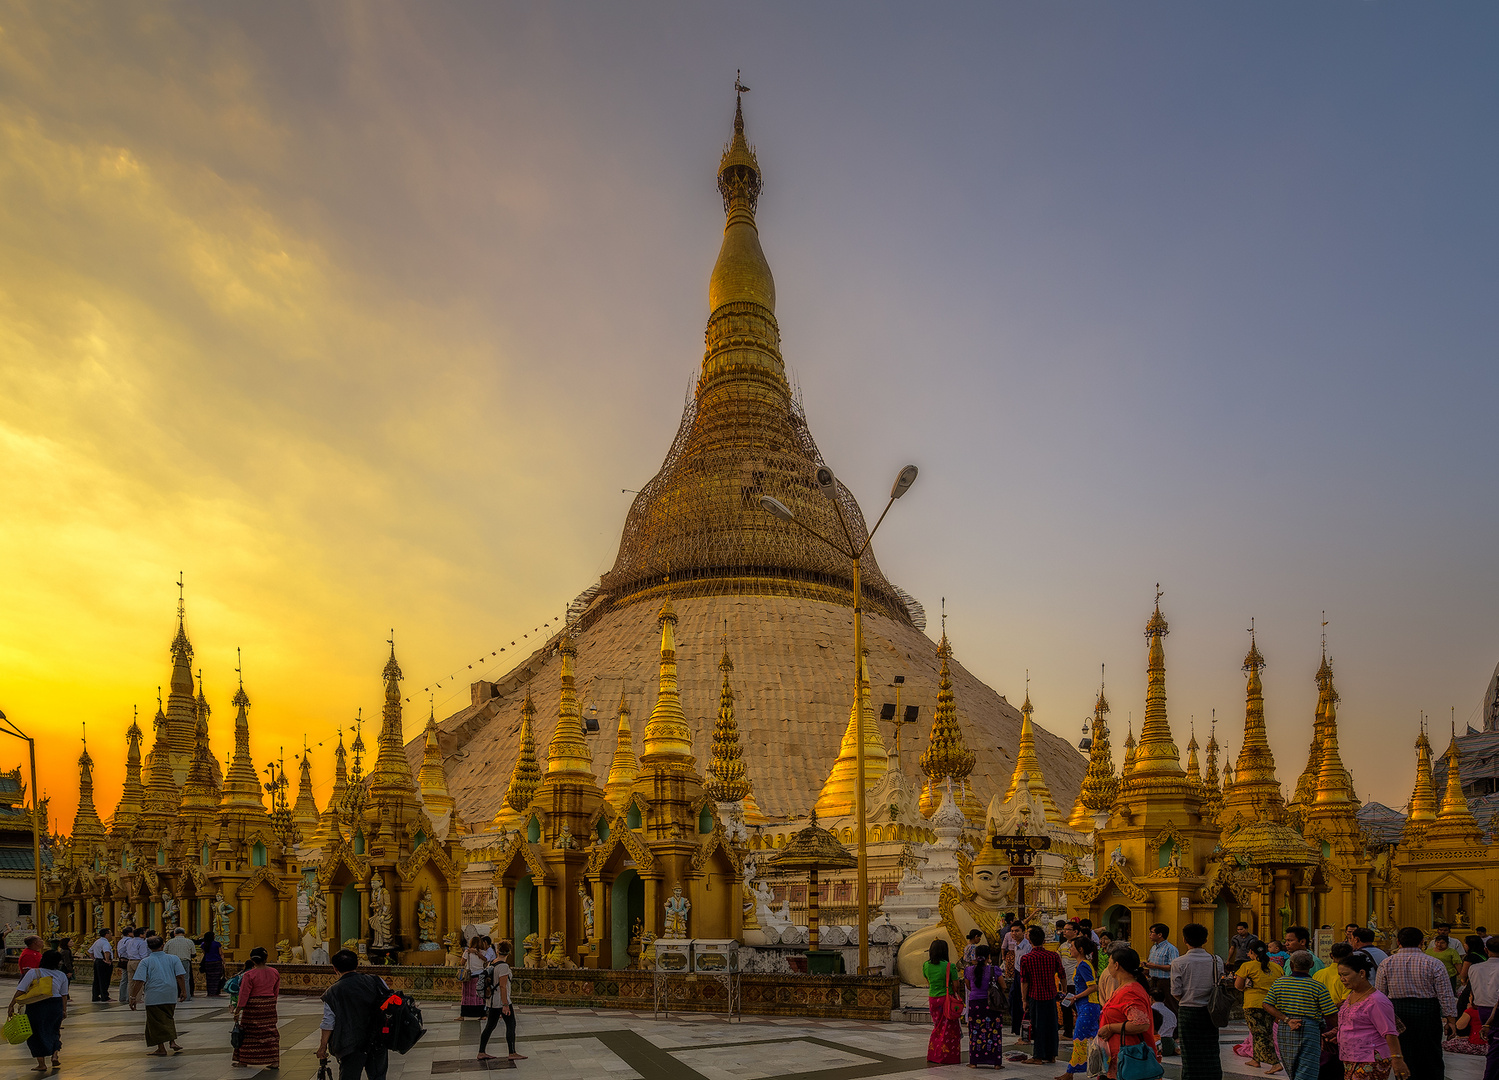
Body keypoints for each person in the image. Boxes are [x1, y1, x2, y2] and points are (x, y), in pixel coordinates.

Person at [1374, 925, 1458, 1080]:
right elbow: (1445, 994)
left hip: (1397, 1014)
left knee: (1404, 1052)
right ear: (1422, 942)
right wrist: (1451, 1019)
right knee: (1431, 1054)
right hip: (1427, 1013)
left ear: (1398, 942)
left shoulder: (1387, 963)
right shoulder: (1434, 963)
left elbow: (1380, 996)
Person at [1263, 951, 1338, 1080]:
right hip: (1310, 1029)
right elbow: (1330, 1013)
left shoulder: (1279, 983)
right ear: (1312, 965)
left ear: (1291, 965)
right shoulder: (1318, 987)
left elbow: (1266, 1004)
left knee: (1292, 1065)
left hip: (1286, 1027)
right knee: (1307, 1067)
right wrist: (1340, 1028)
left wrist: (1286, 1019)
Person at [318, 949, 391, 1080]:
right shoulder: (376, 981)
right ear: (357, 965)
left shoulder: (333, 991)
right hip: (377, 1040)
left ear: (335, 968)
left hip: (349, 1044)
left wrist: (322, 1047)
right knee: (378, 1077)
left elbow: (328, 1022)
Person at [1335, 950, 1407, 1080]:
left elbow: (1389, 1032)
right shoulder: (1352, 995)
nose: (1342, 979)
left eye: (1345, 975)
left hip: (1371, 1057)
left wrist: (1397, 1059)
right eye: (1340, 975)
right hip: (1350, 1056)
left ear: (1361, 973)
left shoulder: (1376, 1001)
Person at [1170, 921, 1221, 1080]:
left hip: (1188, 1010)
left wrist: (1187, 998)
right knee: (1211, 1048)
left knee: (1189, 1051)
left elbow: (1175, 991)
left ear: (1185, 940)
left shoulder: (1179, 962)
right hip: (1210, 1011)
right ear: (1205, 940)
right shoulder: (1216, 960)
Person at [1097, 947, 1157, 1080]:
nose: (1108, 966)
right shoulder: (1124, 988)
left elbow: (1140, 1024)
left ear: (1117, 965)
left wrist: (1109, 1028)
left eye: (1109, 963)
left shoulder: (1130, 991)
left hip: (1129, 1058)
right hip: (1118, 1056)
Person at [7, 947, 68, 1073]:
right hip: (55, 1004)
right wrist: (64, 1010)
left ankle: (41, 1064)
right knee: (53, 1030)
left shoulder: (33, 973)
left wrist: (12, 1004)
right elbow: (64, 995)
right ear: (57, 962)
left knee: (35, 1032)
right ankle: (55, 1054)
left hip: (36, 1005)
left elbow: (21, 990)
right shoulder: (62, 975)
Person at [129, 935, 187, 1056]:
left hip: (154, 995)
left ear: (149, 948)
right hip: (170, 993)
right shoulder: (174, 958)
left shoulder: (146, 961)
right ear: (163, 945)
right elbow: (180, 976)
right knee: (168, 1017)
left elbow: (139, 981)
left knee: (155, 1022)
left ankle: (161, 1048)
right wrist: (183, 991)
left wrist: (133, 997)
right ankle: (172, 1041)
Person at [1236, 938, 1285, 1073]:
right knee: (1264, 1032)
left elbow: (1238, 986)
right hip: (1271, 1005)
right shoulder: (1277, 968)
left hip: (1253, 1004)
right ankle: (1256, 1059)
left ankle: (1275, 1063)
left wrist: (1247, 986)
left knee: (1259, 1034)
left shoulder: (1247, 966)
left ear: (1251, 952)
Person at [1020, 925, 1065, 1065]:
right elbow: (1062, 974)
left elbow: (1024, 981)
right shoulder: (1053, 956)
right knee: (1052, 1025)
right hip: (1051, 995)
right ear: (1044, 940)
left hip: (1035, 995)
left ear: (1030, 942)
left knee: (1038, 1026)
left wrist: (1024, 999)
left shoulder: (1026, 958)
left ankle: (1038, 1056)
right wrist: (1063, 990)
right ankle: (1051, 1055)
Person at [233, 946, 281, 1068]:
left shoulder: (249, 975)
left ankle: (244, 1060)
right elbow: (275, 991)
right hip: (269, 1004)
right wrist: (271, 1002)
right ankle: (274, 1060)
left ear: (252, 960)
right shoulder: (274, 972)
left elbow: (244, 994)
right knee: (270, 1031)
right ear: (266, 958)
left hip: (253, 1005)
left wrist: (238, 1010)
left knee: (249, 1032)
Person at [478, 941, 525, 1062]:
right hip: (501, 1001)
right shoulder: (503, 966)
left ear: (498, 951)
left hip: (492, 1001)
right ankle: (512, 1052)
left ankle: (481, 1052)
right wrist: (505, 1005)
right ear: (509, 952)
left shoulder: (491, 963)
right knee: (511, 1024)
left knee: (490, 1026)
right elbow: (503, 986)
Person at [1063, 935, 1100, 1077]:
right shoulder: (1082, 964)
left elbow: (1093, 987)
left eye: (1072, 947)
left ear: (1080, 949)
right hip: (1085, 1005)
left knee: (1079, 1038)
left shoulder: (1084, 964)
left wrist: (1075, 997)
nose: (1070, 949)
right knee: (1091, 1038)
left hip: (1088, 1005)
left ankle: (1070, 1072)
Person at [922, 938, 962, 1065]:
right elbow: (956, 986)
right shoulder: (950, 966)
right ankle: (947, 1056)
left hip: (933, 998)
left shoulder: (926, 965)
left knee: (938, 1026)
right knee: (949, 1028)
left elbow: (928, 981)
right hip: (946, 999)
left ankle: (934, 1054)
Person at [965, 943, 1004, 1068]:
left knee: (975, 1032)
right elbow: (1003, 986)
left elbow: (969, 987)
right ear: (988, 956)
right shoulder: (994, 969)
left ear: (975, 956)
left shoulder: (969, 970)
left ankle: (974, 1061)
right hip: (991, 1004)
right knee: (994, 1031)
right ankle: (996, 1063)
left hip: (975, 1004)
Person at [1469, 935, 1499, 1080]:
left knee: (1494, 1043)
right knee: (1496, 1048)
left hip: (1482, 1008)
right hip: (1495, 1010)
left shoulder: (1474, 968)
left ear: (1486, 950)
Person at [1003, 922, 1032, 1037]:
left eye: (1017, 931)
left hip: (1024, 976)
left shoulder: (1028, 946)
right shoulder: (1015, 945)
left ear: (1023, 932)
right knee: (1013, 1000)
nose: (1014, 933)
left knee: (1024, 1002)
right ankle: (1016, 1027)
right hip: (1017, 974)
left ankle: (1026, 1031)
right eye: (1012, 931)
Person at [1146, 924, 1180, 1008]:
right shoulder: (1153, 948)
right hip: (1153, 980)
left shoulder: (1170, 948)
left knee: (1169, 1003)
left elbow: (1173, 966)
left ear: (1160, 935)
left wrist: (1156, 966)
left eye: (1152, 932)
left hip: (1165, 981)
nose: (1150, 935)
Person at [1315, 943, 1353, 1007]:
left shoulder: (1318, 974)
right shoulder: (1349, 976)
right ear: (1351, 956)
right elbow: (1345, 1002)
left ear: (1331, 955)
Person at [119, 927, 150, 1004]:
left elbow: (122, 950)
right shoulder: (142, 942)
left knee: (131, 982)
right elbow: (143, 955)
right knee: (139, 981)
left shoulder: (129, 941)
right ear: (141, 935)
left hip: (130, 961)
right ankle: (137, 998)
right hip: (138, 962)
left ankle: (131, 997)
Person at [164, 929, 196, 999]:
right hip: (185, 961)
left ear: (174, 933)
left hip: (172, 961)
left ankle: (173, 996)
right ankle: (186, 996)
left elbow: (164, 952)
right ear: (184, 933)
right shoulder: (189, 941)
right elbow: (193, 953)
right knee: (186, 979)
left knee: (173, 978)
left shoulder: (169, 942)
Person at [460, 936, 486, 1019]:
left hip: (469, 976)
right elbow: (485, 960)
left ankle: (463, 1015)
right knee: (479, 995)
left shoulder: (467, 952)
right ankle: (482, 1014)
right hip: (480, 976)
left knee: (466, 995)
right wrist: (477, 953)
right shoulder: (483, 952)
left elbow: (462, 963)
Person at [89, 928, 115, 1002]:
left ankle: (95, 996)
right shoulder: (105, 943)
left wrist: (94, 959)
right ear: (106, 934)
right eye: (110, 933)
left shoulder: (97, 941)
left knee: (97, 979)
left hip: (97, 961)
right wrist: (107, 961)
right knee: (104, 980)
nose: (111, 935)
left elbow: (90, 951)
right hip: (103, 962)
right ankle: (105, 996)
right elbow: (106, 952)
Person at [1151, 988, 1178, 1056]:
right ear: (1164, 999)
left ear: (1151, 998)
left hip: (1154, 1043)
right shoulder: (1171, 1013)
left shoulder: (1150, 1011)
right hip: (1168, 1046)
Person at [200, 930, 225, 996]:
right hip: (217, 962)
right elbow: (220, 953)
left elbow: (204, 953)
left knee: (209, 978)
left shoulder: (203, 944)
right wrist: (224, 962)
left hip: (208, 962)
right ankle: (216, 991)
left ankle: (210, 991)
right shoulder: (217, 944)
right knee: (217, 978)